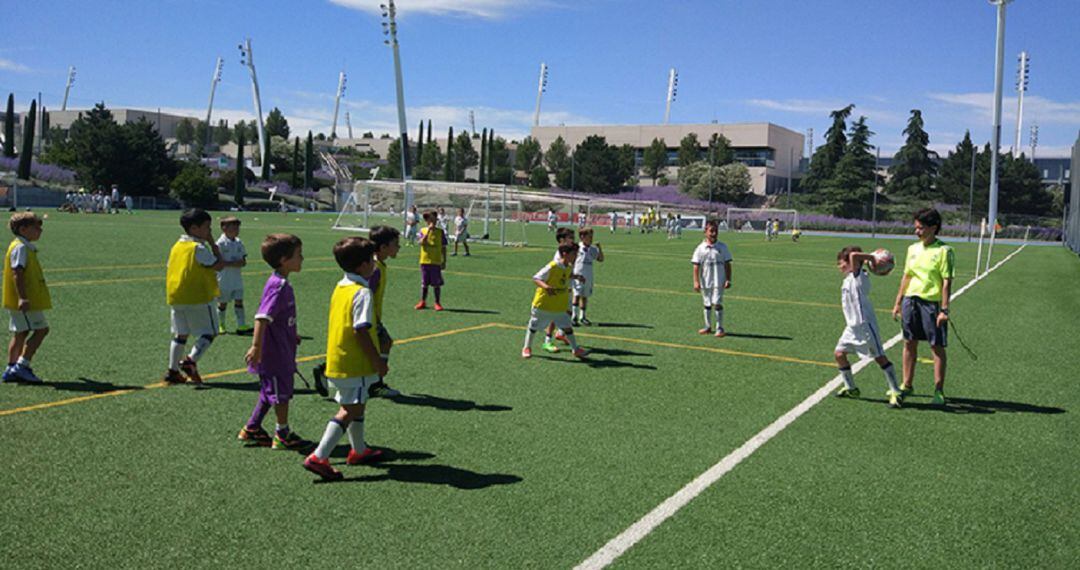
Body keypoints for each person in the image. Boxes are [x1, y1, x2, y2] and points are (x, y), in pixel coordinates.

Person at [303, 237, 387, 481]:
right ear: (362, 265)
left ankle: (358, 450)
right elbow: (360, 330)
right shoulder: (362, 293)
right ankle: (319, 456)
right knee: (348, 409)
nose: (374, 263)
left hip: (338, 358)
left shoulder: (341, 287)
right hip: (355, 362)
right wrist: (377, 360)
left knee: (358, 404)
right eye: (371, 259)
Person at [238, 233, 313, 449]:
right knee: (281, 394)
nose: (302, 259)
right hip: (274, 352)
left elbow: (276, 317)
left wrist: (291, 333)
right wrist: (256, 347)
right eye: (298, 255)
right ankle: (282, 434)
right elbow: (262, 317)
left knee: (269, 391)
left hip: (282, 345)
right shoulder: (278, 286)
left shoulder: (281, 283)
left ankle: (252, 428)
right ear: (283, 260)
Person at [892, 208, 955, 406]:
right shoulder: (912, 249)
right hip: (911, 300)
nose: (917, 231)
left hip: (932, 304)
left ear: (933, 228)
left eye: (921, 228)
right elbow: (907, 276)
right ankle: (907, 385)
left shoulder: (944, 251)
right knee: (909, 343)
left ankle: (938, 390)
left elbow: (947, 281)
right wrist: (898, 302)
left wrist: (944, 309)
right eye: (916, 228)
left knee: (936, 346)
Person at [833, 246, 903, 408]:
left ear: (852, 264)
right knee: (839, 354)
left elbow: (855, 255)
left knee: (879, 357)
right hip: (851, 327)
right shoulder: (849, 278)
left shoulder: (860, 276)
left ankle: (895, 391)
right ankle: (851, 387)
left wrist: (872, 259)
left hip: (865, 326)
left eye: (841, 263)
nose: (839, 266)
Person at [163, 209, 225, 384]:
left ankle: (172, 370)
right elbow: (219, 265)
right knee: (211, 332)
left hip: (176, 296)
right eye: (207, 228)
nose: (209, 231)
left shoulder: (177, 246)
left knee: (180, 334)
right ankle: (191, 361)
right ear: (194, 228)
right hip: (197, 296)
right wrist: (213, 245)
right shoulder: (198, 248)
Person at [1, 213, 51, 383]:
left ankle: (11, 368)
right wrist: (23, 298)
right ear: (23, 229)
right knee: (41, 330)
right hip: (25, 300)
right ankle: (22, 366)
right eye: (36, 227)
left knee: (20, 332)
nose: (40, 230)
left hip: (16, 300)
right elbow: (17, 273)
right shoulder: (21, 247)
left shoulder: (22, 246)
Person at [522, 243, 588, 360]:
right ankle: (527, 347)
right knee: (534, 325)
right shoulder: (553, 266)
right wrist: (546, 287)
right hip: (544, 303)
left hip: (559, 304)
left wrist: (577, 277)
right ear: (565, 254)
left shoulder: (568, 266)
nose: (576, 256)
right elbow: (536, 278)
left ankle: (575, 349)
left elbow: (567, 275)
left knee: (567, 327)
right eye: (574, 254)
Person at [367, 225, 402, 398]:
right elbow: (366, 295)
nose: (399, 247)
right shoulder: (375, 268)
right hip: (369, 318)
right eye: (395, 244)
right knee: (385, 342)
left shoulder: (377, 264)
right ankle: (376, 384)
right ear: (383, 248)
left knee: (372, 347)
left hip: (371, 317)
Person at [691, 219, 733, 337]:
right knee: (707, 303)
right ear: (705, 232)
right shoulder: (700, 248)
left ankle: (720, 328)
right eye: (711, 231)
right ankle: (708, 326)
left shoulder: (722, 247)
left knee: (717, 303)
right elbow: (696, 266)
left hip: (719, 281)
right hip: (706, 282)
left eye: (716, 231)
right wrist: (696, 282)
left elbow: (727, 264)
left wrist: (728, 279)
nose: (714, 234)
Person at [542, 228, 576, 352]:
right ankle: (547, 340)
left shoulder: (570, 251)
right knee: (556, 314)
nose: (573, 239)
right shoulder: (560, 255)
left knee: (568, 312)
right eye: (570, 237)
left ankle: (560, 333)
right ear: (562, 240)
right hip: (560, 288)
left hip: (567, 286)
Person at [215, 216, 251, 335]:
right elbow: (219, 263)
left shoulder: (239, 242)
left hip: (237, 278)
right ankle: (220, 324)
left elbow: (243, 261)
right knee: (222, 303)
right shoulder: (220, 244)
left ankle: (241, 325)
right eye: (233, 227)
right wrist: (233, 263)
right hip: (223, 279)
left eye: (237, 227)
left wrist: (230, 263)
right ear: (224, 228)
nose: (236, 230)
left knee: (239, 301)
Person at [415, 210, 447, 311]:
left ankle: (437, 303)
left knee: (436, 283)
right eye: (431, 219)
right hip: (425, 261)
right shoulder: (423, 230)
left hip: (436, 261)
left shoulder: (440, 232)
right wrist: (428, 231)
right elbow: (421, 242)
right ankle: (422, 301)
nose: (433, 222)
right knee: (424, 283)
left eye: (434, 219)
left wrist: (444, 260)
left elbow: (443, 247)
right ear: (427, 220)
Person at [572, 228, 603, 326]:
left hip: (588, 275)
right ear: (582, 237)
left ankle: (582, 317)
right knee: (576, 295)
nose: (591, 238)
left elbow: (600, 259)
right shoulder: (576, 247)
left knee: (585, 296)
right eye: (589, 236)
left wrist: (600, 248)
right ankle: (574, 316)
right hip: (578, 275)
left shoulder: (593, 249)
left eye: (592, 236)